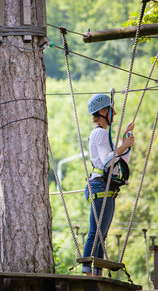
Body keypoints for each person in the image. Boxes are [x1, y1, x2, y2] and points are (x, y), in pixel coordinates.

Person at [81, 93, 135, 276]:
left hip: (106, 188)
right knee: (96, 233)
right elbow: (106, 161)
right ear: (103, 111)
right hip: (100, 187)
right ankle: (89, 273)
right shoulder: (100, 133)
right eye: (112, 110)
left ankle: (96, 273)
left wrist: (124, 143)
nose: (115, 114)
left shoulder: (103, 134)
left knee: (101, 236)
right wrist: (123, 145)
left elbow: (118, 160)